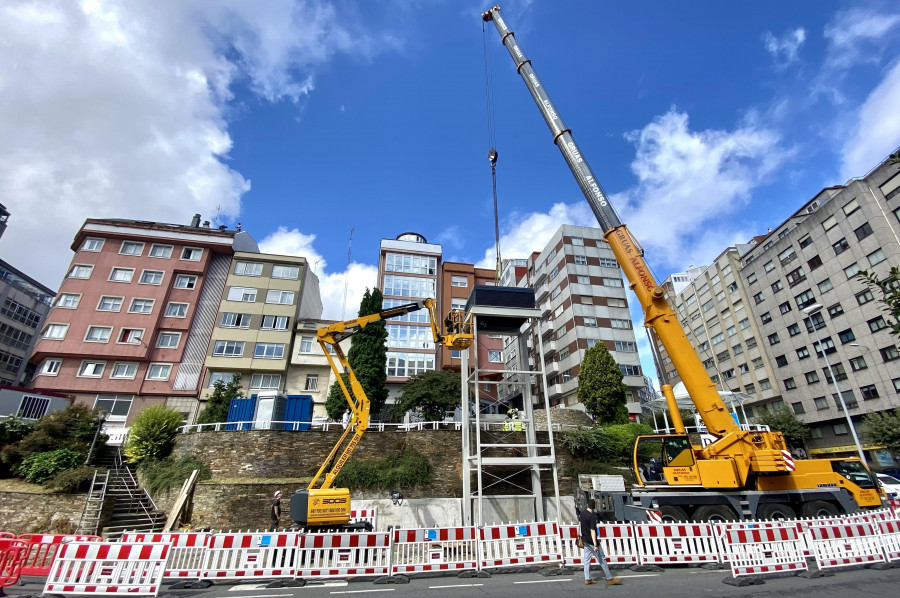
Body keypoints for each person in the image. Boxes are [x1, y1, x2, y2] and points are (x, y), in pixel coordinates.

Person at [579, 498, 622, 586]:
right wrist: (595, 544)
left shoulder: (583, 514)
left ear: (588, 505)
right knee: (602, 559)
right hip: (591, 541)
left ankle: (587, 578)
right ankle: (609, 578)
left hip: (585, 540)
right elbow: (592, 531)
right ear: (594, 507)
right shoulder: (591, 517)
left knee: (586, 560)